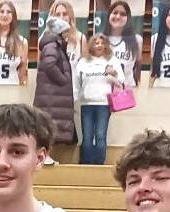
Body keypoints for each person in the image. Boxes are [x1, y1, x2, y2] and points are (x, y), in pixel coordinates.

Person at [75, 35, 128, 166]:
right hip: (86, 104)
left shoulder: (112, 60)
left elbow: (121, 81)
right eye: (96, 43)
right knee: (87, 136)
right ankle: (85, 164)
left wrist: (114, 73)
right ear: (91, 45)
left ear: (106, 45)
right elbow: (76, 83)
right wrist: (75, 100)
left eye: (102, 43)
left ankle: (99, 164)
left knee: (100, 136)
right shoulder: (83, 62)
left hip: (104, 104)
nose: (99, 45)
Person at [33, 15, 77, 166]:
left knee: (48, 127)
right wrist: (64, 79)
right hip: (51, 96)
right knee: (48, 127)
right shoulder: (52, 46)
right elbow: (50, 65)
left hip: (51, 95)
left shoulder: (52, 45)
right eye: (65, 32)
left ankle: (45, 156)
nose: (66, 36)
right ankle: (44, 157)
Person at [98, 0, 140, 75]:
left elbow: (138, 66)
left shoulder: (137, 40)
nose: (118, 17)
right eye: (115, 13)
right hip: (105, 85)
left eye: (123, 14)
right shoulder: (100, 38)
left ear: (128, 18)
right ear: (109, 16)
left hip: (128, 85)